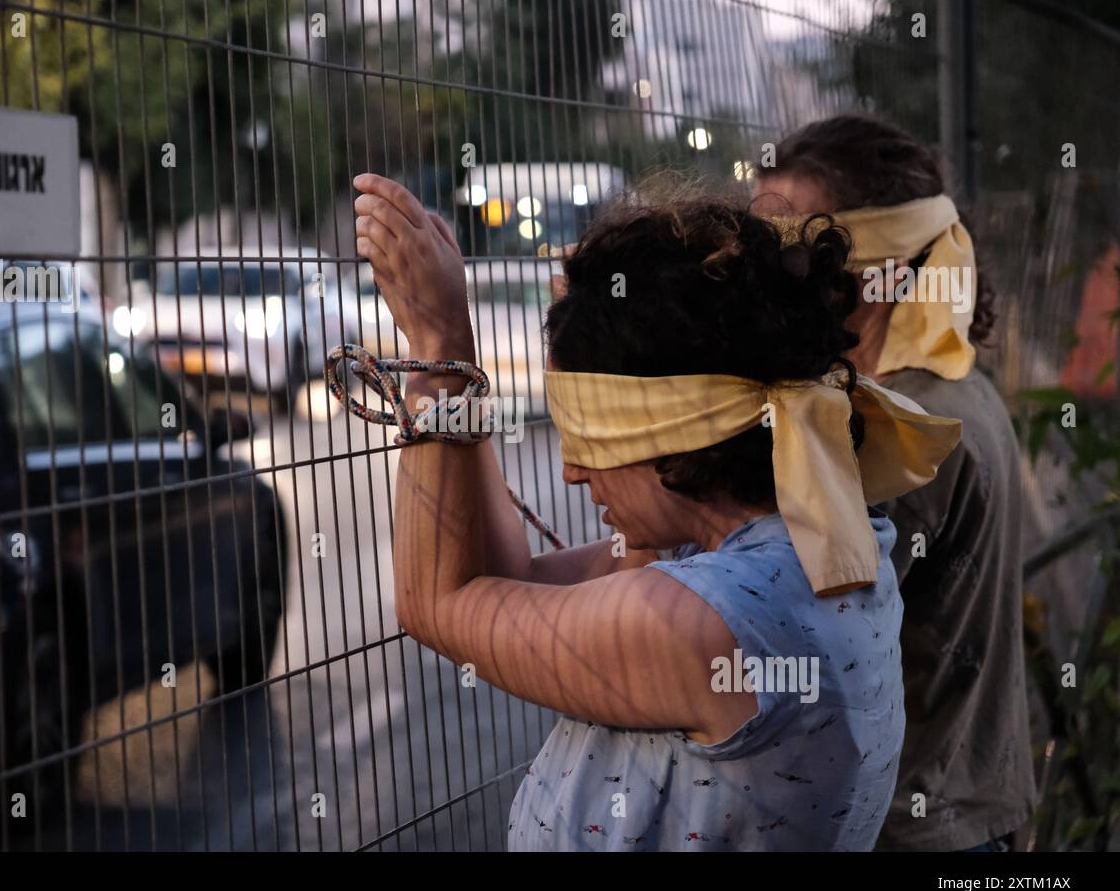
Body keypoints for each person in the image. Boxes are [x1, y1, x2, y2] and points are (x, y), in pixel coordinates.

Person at [351, 171, 960, 850]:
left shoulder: (710, 623)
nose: (571, 470)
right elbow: (505, 578)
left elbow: (437, 602)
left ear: (672, 434)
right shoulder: (811, 541)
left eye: (587, 438)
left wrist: (439, 346)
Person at [753, 113, 1037, 852]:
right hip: (964, 807)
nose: (758, 278)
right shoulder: (952, 387)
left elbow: (789, 647)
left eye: (784, 248)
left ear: (870, 261)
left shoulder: (898, 428)